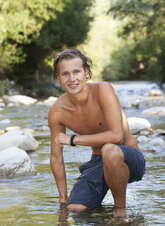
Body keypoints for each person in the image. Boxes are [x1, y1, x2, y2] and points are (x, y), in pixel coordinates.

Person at [48, 48, 146, 217]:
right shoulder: (57, 111)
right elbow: (56, 157)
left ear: (86, 72)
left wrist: (72, 139)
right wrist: (63, 200)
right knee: (75, 209)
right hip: (98, 162)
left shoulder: (103, 90)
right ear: (58, 78)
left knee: (109, 149)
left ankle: (120, 212)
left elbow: (117, 136)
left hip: (129, 159)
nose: (72, 79)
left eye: (76, 72)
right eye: (65, 74)